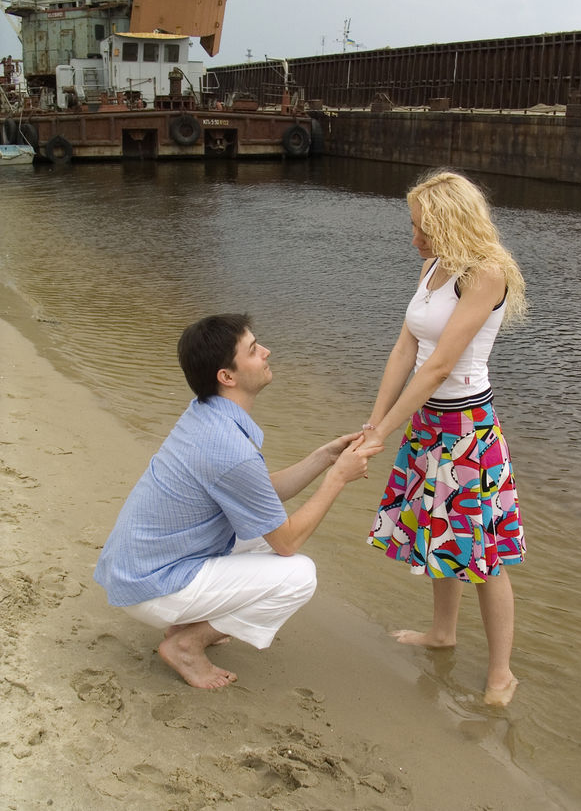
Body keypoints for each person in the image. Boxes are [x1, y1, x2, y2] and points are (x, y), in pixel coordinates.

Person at [94, 313, 380, 689]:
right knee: (297, 575)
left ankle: (185, 620)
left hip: (138, 566)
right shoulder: (229, 450)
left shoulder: (204, 413)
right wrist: (338, 478)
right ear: (227, 377)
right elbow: (288, 540)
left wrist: (323, 457)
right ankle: (186, 643)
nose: (266, 351)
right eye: (253, 349)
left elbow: (257, 495)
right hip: (151, 583)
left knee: (263, 531)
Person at [361, 170, 527, 707]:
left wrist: (383, 433)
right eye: (414, 228)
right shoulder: (434, 266)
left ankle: (501, 673)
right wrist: (375, 420)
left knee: (482, 554)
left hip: (466, 430)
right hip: (428, 423)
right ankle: (442, 633)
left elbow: (439, 367)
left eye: (423, 230)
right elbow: (404, 350)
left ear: (451, 223)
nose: (415, 241)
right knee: (441, 534)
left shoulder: (486, 274)